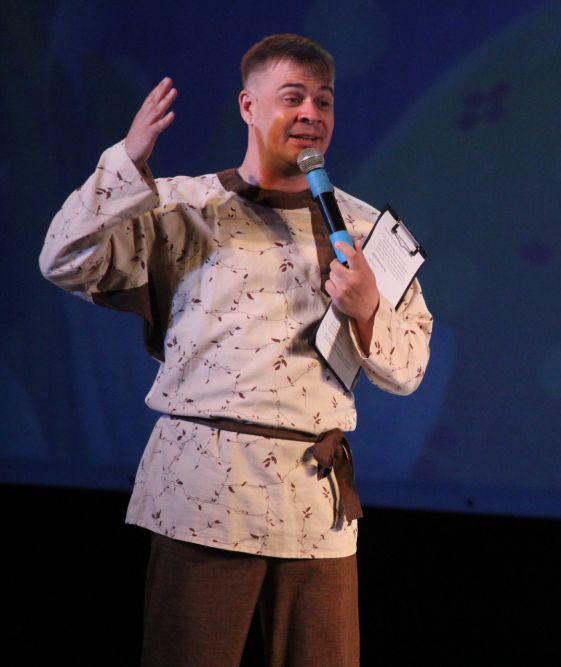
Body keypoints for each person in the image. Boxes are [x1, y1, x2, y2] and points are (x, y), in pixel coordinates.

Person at [39, 34, 432, 666]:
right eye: (293, 98)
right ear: (248, 106)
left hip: (315, 503)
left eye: (324, 101)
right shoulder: (183, 207)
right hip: (205, 488)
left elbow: (409, 368)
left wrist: (366, 311)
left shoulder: (362, 231)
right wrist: (124, 164)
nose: (311, 114)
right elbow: (63, 261)